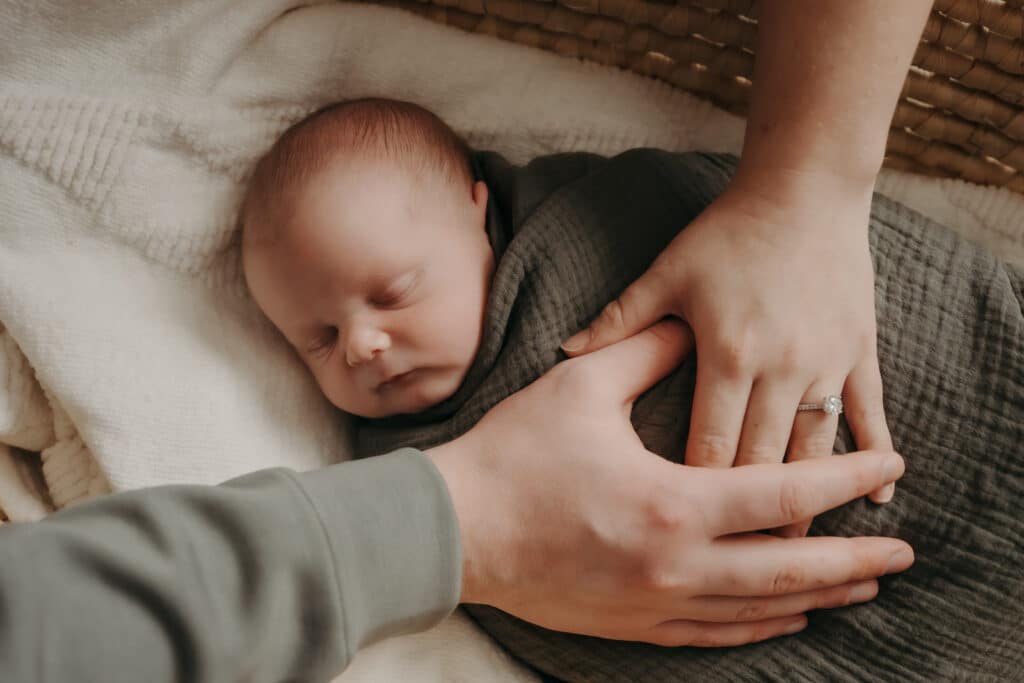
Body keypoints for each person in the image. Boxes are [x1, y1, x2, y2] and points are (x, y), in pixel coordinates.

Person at [0, 2, 957, 681]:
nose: (366, 344)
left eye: (394, 291)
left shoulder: (583, 225)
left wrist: (803, 191)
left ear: (476, 207)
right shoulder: (398, 457)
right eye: (319, 340)